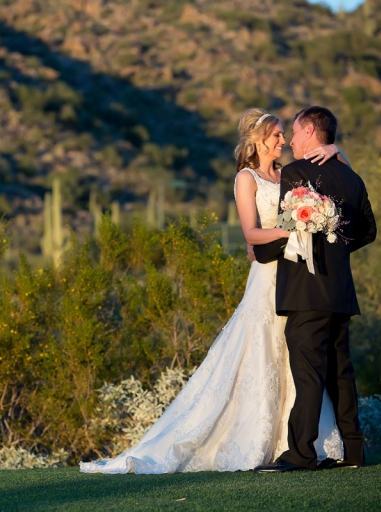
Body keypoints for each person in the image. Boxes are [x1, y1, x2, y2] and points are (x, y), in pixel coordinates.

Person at [79, 108, 347, 474]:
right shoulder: (246, 178)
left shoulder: (290, 174)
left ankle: (295, 443)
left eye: (285, 135)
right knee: (262, 353)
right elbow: (251, 234)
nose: (283, 141)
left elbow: (335, 173)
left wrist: (336, 151)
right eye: (277, 136)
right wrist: (292, 231)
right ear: (258, 140)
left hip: (295, 277)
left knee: (295, 359)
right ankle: (255, 439)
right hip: (268, 276)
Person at [252, 106, 376, 472]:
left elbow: (292, 228)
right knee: (341, 373)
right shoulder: (352, 178)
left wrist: (261, 251)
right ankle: (354, 452)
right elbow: (368, 231)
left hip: (306, 291)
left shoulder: (296, 172)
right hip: (340, 291)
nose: (290, 140)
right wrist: (337, 250)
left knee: (307, 373)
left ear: (309, 131)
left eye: (294, 132)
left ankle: (300, 453)